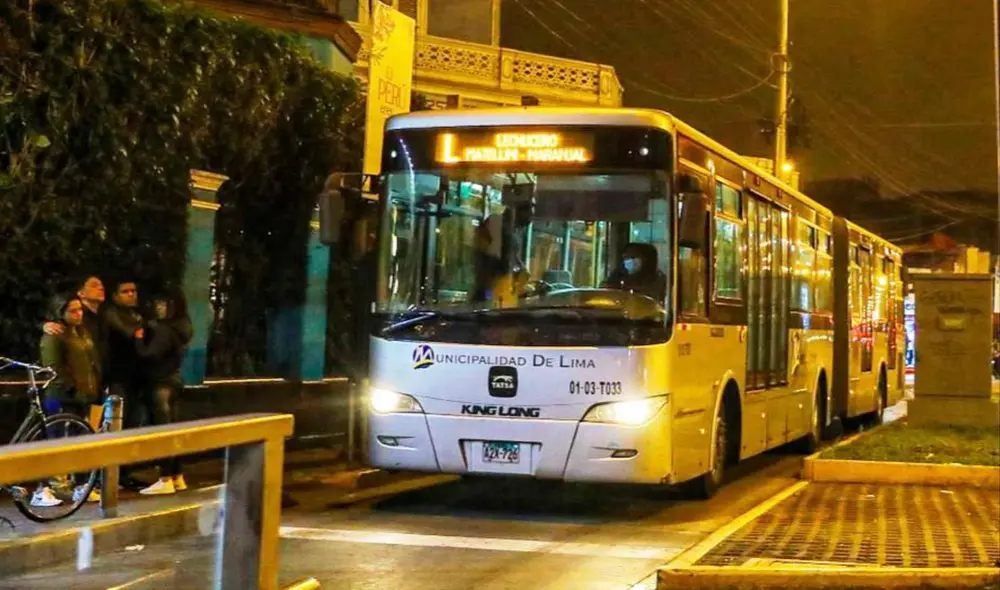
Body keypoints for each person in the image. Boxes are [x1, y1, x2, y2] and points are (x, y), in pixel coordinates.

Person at [35, 295, 102, 507]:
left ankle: (80, 485)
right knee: (54, 441)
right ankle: (43, 487)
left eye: (79, 309)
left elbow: (91, 361)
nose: (78, 314)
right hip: (60, 396)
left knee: (80, 440)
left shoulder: (81, 331)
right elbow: (54, 368)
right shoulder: (55, 334)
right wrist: (72, 389)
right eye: (72, 311)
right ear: (60, 312)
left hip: (82, 395)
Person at [134, 290, 193, 495]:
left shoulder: (164, 330)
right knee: (174, 431)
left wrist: (139, 339)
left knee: (162, 431)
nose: (158, 308)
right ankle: (177, 476)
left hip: (160, 383)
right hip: (175, 380)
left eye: (163, 304)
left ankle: (165, 478)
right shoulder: (182, 327)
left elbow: (149, 354)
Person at [603, 242, 667, 301]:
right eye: (626, 258)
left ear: (647, 259)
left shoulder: (661, 281)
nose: (629, 261)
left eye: (633, 257)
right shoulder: (617, 277)